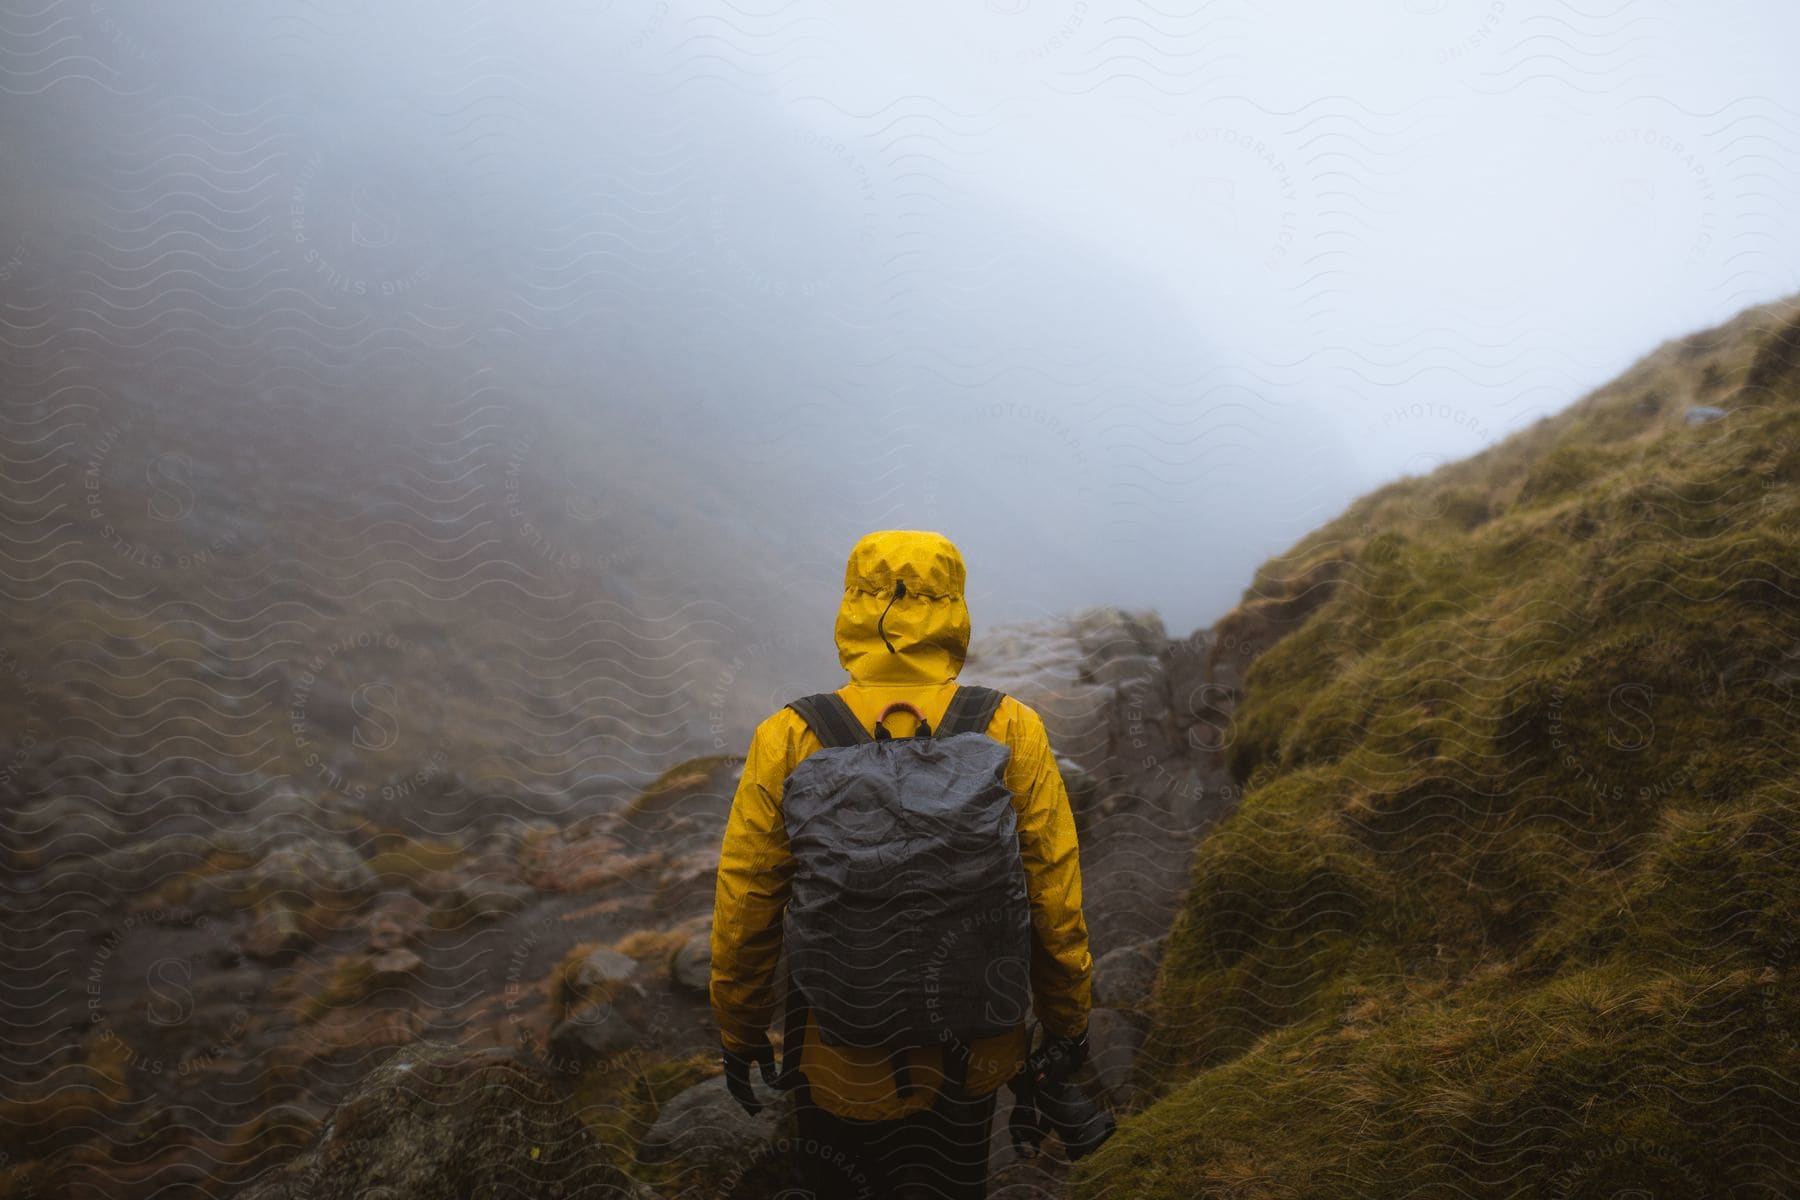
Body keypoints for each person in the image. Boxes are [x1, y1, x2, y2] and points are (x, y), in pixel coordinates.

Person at [710, 529, 1094, 1199]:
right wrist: (1066, 1026)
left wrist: (739, 1028)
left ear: (854, 604)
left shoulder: (791, 735)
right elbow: (1054, 901)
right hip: (971, 1048)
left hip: (836, 1053)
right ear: (953, 607)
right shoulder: (1010, 728)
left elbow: (747, 904)